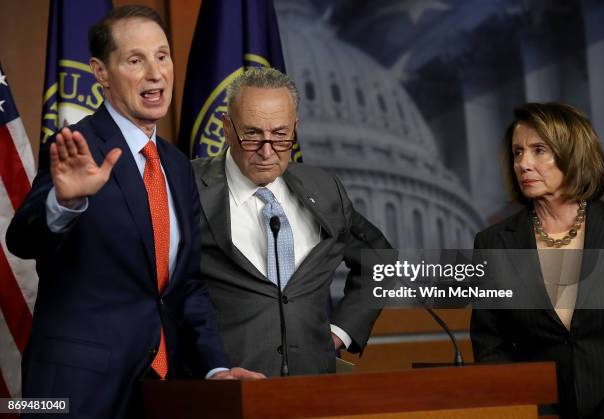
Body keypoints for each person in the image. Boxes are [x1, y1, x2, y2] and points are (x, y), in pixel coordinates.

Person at [6, 6, 262, 418]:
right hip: (78, 391)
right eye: (135, 60)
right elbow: (20, 239)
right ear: (101, 72)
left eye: (162, 56)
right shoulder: (77, 146)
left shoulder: (177, 167)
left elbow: (185, 286)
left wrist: (215, 368)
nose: (155, 73)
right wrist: (65, 202)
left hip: (162, 389)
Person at [191, 67, 391, 376]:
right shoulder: (186, 185)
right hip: (227, 390)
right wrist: (211, 369)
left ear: (294, 129)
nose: (267, 151)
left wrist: (340, 332)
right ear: (227, 129)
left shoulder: (324, 189)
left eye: (281, 135)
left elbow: (380, 259)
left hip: (313, 387)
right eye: (253, 134)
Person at [470, 102, 604, 418]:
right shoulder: (494, 243)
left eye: (539, 150)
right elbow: (491, 345)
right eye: (518, 152)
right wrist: (531, 409)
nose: (523, 163)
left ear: (572, 154)